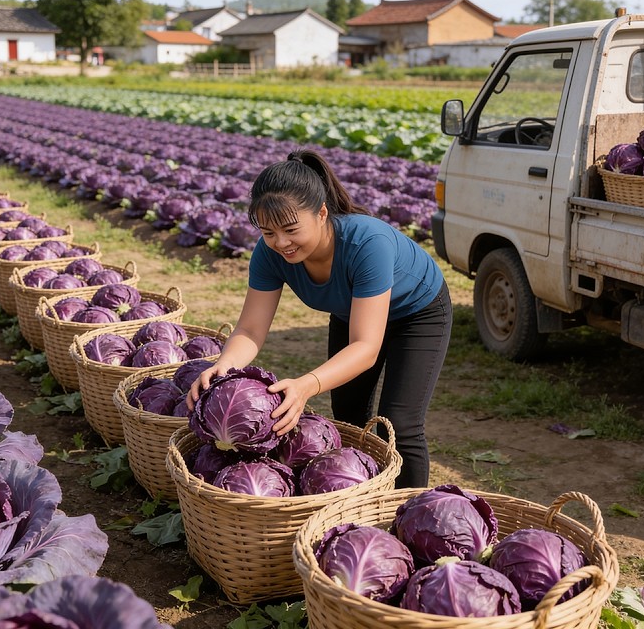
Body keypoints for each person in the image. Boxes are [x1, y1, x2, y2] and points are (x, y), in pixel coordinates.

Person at [190, 149, 452, 488]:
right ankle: (363, 494)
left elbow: (366, 347)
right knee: (349, 415)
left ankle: (407, 507)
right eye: (268, 232)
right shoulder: (269, 253)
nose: (281, 242)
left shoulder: (367, 243)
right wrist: (222, 367)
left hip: (417, 313)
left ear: (322, 213)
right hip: (351, 311)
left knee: (399, 423)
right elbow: (250, 328)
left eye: (290, 229)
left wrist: (304, 386)